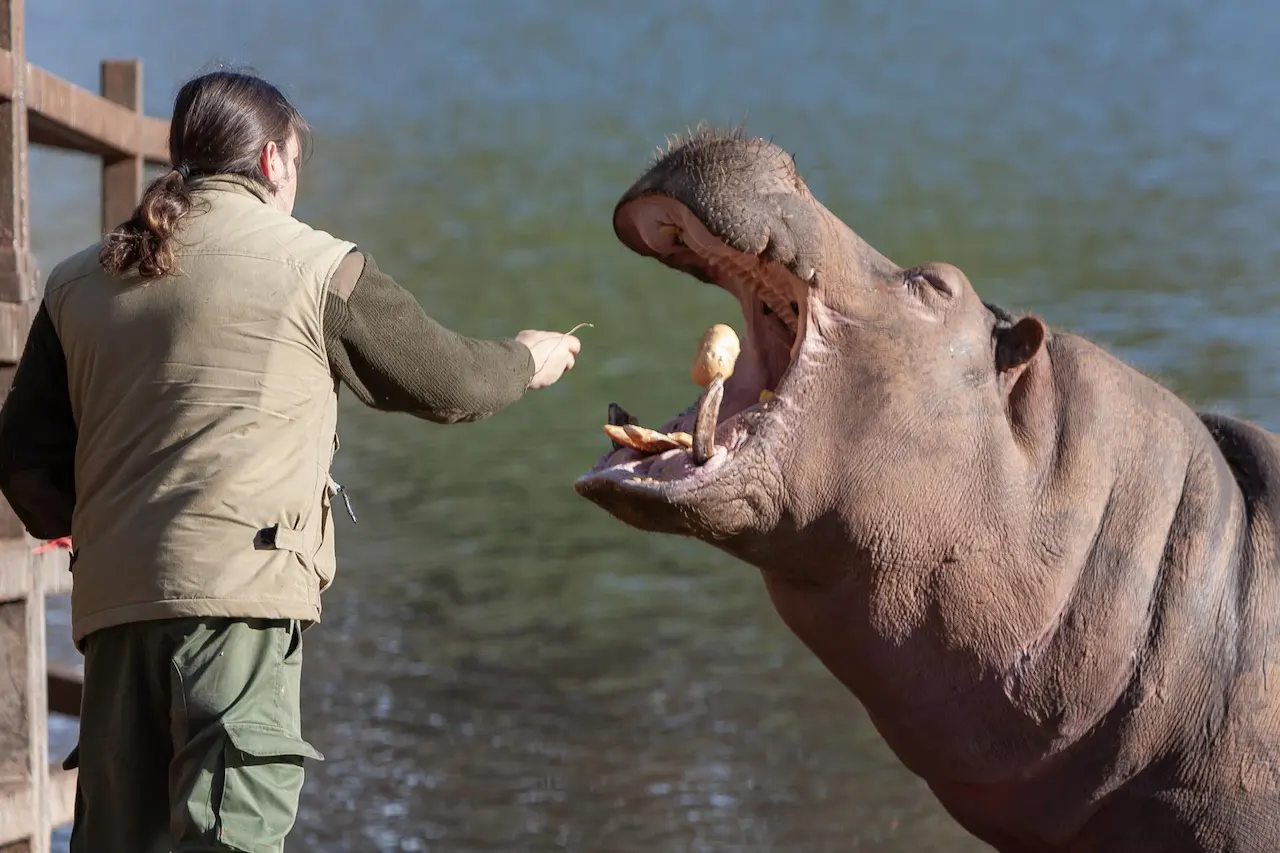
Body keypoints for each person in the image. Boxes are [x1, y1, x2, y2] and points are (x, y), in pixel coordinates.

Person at [0, 69, 581, 853]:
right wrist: (525, 359)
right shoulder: (318, 267)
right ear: (274, 162)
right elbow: (451, 385)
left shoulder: (77, 280)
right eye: (298, 164)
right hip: (237, 613)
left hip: (115, 615)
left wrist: (113, 529)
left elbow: (23, 462)